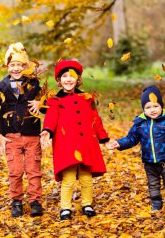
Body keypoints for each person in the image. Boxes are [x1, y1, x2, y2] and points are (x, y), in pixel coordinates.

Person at [40, 60, 112, 220]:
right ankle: (65, 208)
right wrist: (47, 130)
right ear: (59, 80)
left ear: (78, 79)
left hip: (87, 143)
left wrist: (104, 138)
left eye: (72, 76)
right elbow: (51, 117)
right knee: (69, 178)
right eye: (64, 76)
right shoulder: (55, 101)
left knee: (86, 178)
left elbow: (96, 119)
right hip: (67, 145)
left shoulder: (87, 98)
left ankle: (87, 204)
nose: (68, 79)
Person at [109, 85, 165, 211]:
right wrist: (119, 143)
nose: (152, 110)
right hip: (149, 161)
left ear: (161, 106)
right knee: (153, 184)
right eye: (148, 107)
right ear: (143, 109)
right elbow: (131, 138)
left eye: (156, 106)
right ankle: (156, 204)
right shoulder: (140, 124)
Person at [0, 42, 44, 217]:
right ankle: (16, 201)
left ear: (25, 66)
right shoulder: (1, 86)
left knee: (33, 169)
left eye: (20, 65)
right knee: (15, 171)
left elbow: (44, 107)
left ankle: (35, 201)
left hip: (31, 134)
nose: (16, 68)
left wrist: (41, 103)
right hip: (11, 136)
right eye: (12, 65)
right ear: (7, 66)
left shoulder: (34, 83)